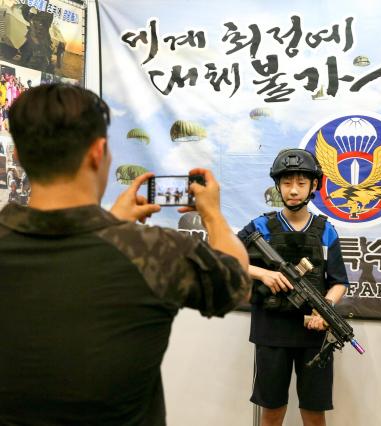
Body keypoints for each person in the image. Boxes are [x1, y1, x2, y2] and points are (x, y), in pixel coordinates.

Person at [0, 83, 251, 425]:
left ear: (18, 156)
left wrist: (112, 224)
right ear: (97, 152)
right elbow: (235, 281)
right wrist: (213, 216)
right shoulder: (155, 253)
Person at [237, 149, 349, 426]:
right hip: (271, 331)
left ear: (314, 186)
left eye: (301, 183)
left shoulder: (326, 231)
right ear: (278, 186)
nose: (293, 190)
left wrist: (326, 310)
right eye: (287, 183)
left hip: (314, 333)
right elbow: (224, 256)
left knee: (313, 412)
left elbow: (339, 283)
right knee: (272, 411)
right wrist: (262, 273)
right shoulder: (260, 226)